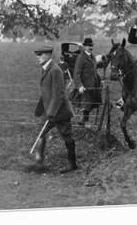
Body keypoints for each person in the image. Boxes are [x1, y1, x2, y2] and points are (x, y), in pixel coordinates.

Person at [33, 45, 78, 173]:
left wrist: (51, 113)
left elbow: (58, 94)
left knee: (67, 137)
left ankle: (72, 164)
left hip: (60, 112)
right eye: (37, 55)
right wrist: (41, 108)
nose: (38, 57)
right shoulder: (45, 69)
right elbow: (46, 92)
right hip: (49, 110)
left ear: (48, 55)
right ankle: (38, 162)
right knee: (40, 134)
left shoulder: (55, 70)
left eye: (40, 54)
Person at [72, 37, 102, 125]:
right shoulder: (81, 57)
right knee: (85, 105)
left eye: (91, 45)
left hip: (93, 85)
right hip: (85, 86)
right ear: (84, 47)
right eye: (88, 46)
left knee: (91, 104)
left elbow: (94, 69)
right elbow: (76, 74)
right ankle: (83, 122)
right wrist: (80, 86)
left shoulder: (92, 56)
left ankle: (85, 121)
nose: (90, 47)